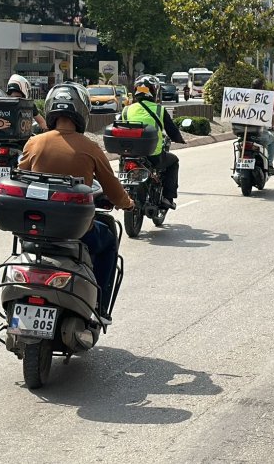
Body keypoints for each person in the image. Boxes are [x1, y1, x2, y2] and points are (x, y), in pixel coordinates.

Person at [18, 83, 134, 321]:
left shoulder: (34, 143)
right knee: (108, 241)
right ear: (82, 112)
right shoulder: (89, 147)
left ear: (51, 109)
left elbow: (20, 179)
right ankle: (100, 307)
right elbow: (113, 188)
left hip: (36, 229)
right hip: (77, 231)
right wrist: (128, 204)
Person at [121, 75, 187, 209]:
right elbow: (172, 130)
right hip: (153, 156)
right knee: (174, 162)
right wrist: (180, 140)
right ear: (154, 91)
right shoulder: (159, 110)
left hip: (129, 155)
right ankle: (168, 197)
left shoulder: (126, 110)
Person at [248, 78, 274, 175]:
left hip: (244, 134)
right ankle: (269, 165)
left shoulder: (245, 97)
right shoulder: (264, 99)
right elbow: (271, 116)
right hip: (260, 135)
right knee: (272, 140)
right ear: (262, 87)